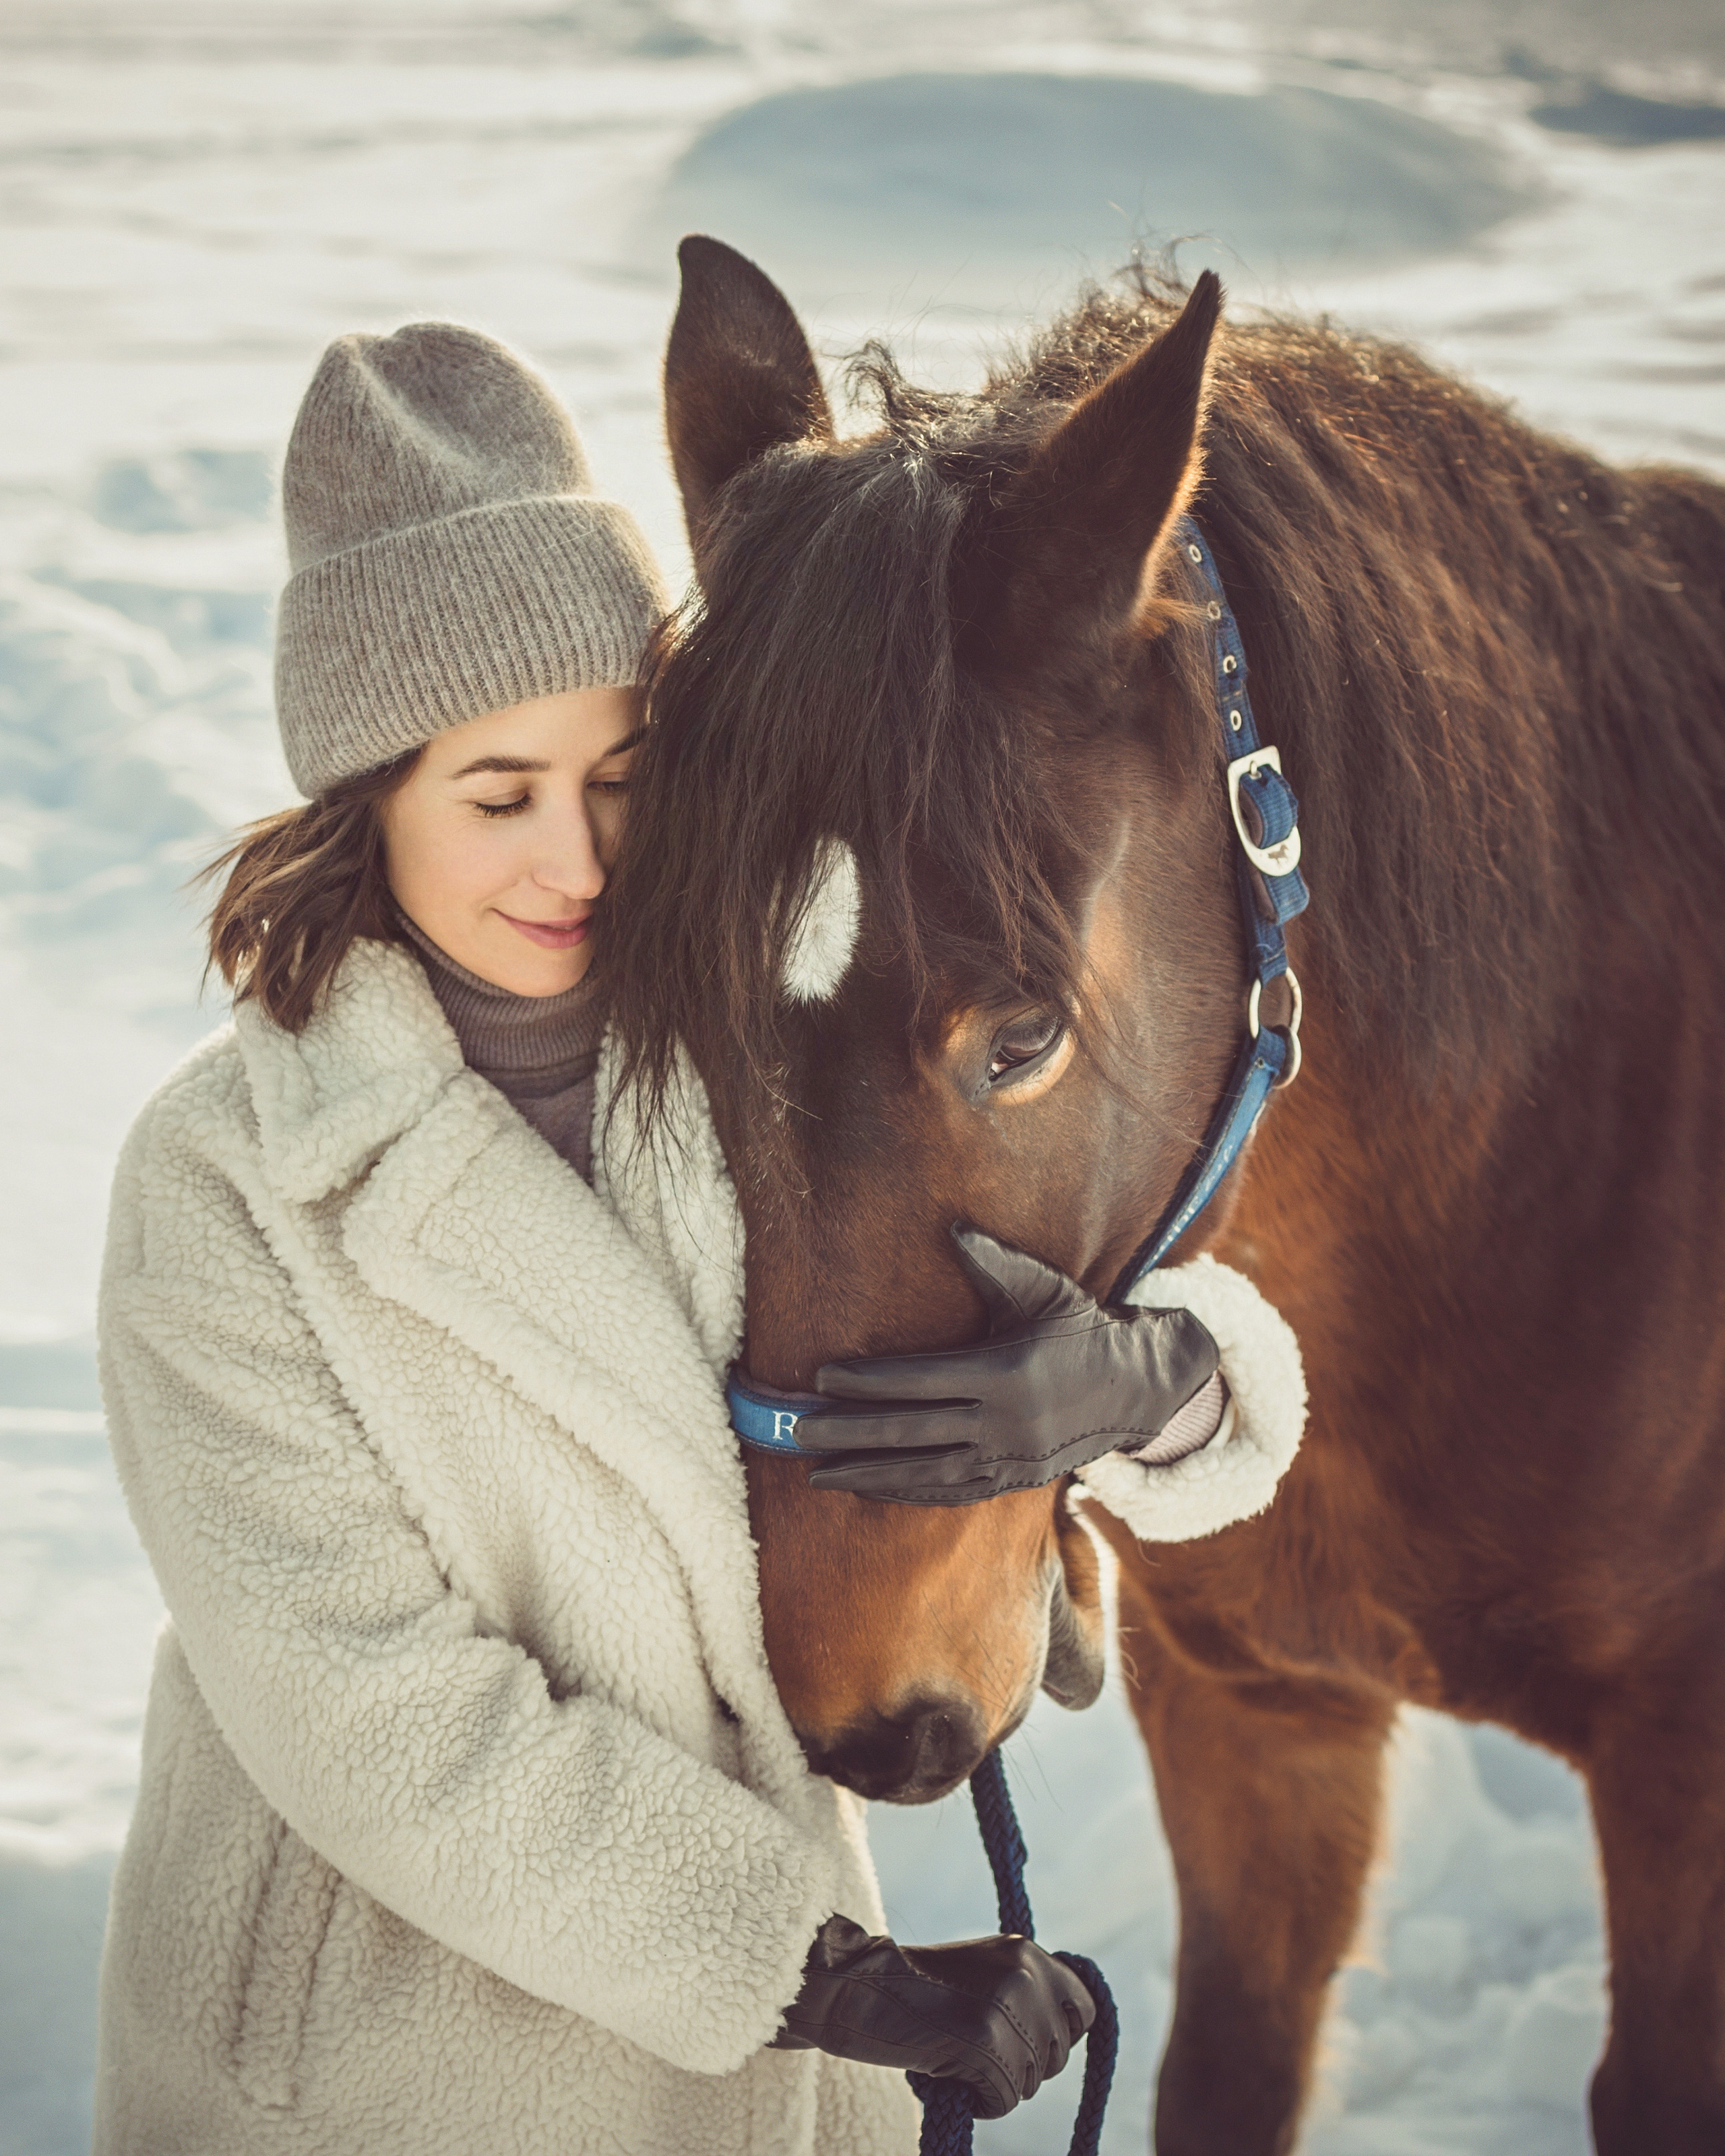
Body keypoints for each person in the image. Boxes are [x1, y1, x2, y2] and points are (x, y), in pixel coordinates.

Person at [92, 322, 1114, 2156]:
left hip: (761, 2072)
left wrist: (1141, 1383)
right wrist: (820, 1976)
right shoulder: (226, 1183)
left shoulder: (746, 1067)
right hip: (384, 2065)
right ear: (368, 797)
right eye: (499, 796)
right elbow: (374, 1715)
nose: (576, 858)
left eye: (621, 775)